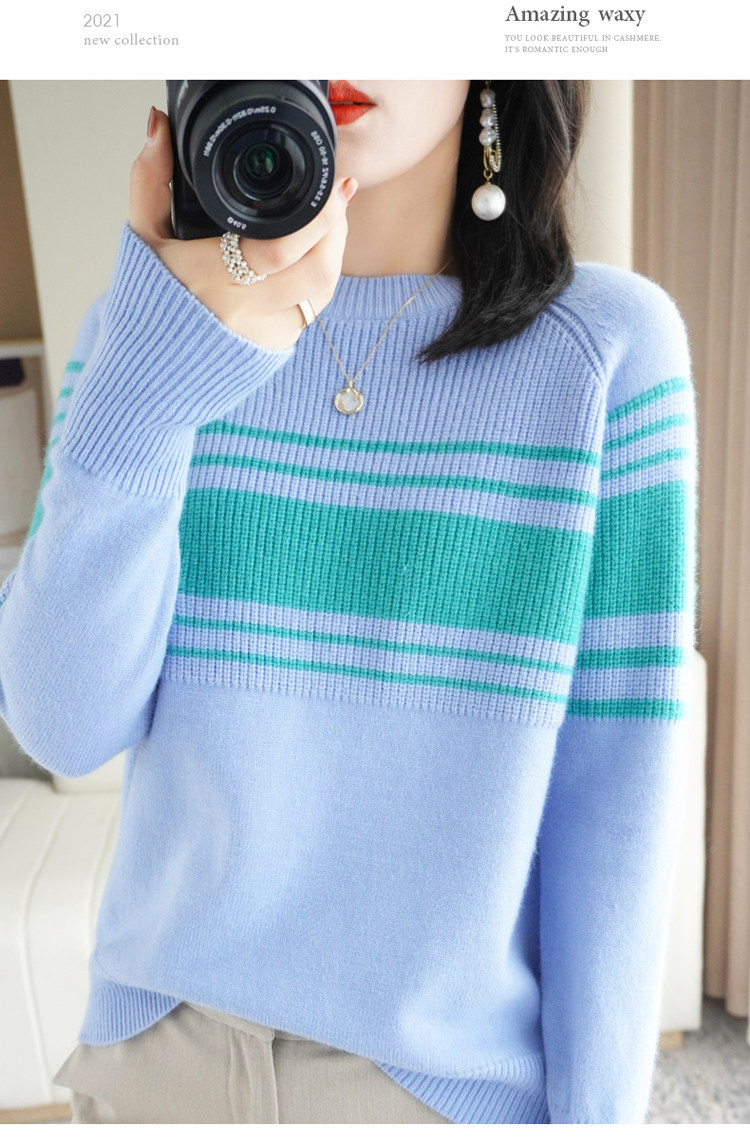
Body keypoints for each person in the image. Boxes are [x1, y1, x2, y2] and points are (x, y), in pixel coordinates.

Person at [0, 80, 696, 1124]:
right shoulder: (146, 336)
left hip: (437, 1095)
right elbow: (63, 724)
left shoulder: (606, 351)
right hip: (152, 1062)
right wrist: (148, 377)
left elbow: (615, 809)